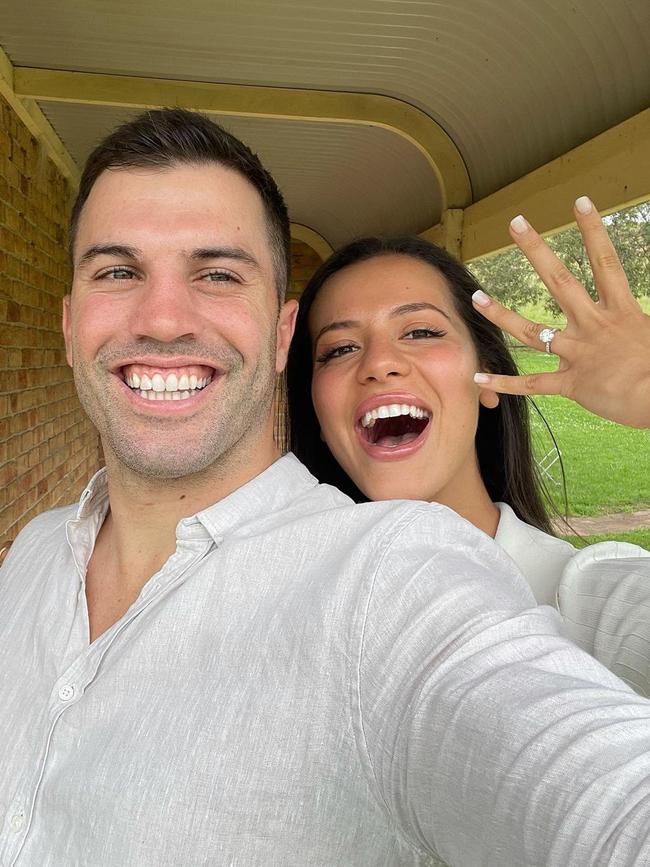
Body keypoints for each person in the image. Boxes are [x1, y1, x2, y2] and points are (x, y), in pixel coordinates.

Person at [3, 109, 650, 867]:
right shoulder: (34, 554)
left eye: (216, 273)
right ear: (71, 323)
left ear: (278, 338)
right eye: (119, 271)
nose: (164, 317)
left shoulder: (395, 585)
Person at [287, 216, 650, 694]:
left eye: (419, 332)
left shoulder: (583, 595)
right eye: (339, 349)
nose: (378, 363)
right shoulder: (286, 601)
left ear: (490, 377)